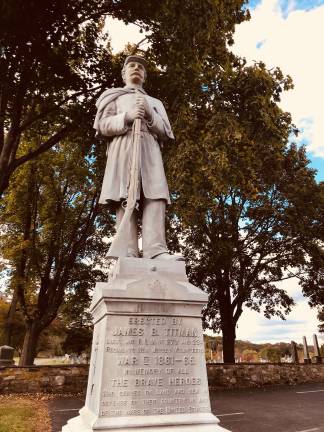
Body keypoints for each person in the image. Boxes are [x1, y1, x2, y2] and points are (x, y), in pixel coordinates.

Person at [94, 55, 183, 261]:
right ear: (124, 73)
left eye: (141, 67)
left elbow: (165, 131)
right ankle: (128, 251)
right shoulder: (113, 97)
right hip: (124, 148)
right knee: (126, 197)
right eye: (131, 66)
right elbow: (103, 126)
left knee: (156, 195)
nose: (136, 68)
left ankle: (156, 250)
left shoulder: (154, 102)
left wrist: (150, 115)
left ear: (145, 76)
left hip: (149, 148)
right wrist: (127, 116)